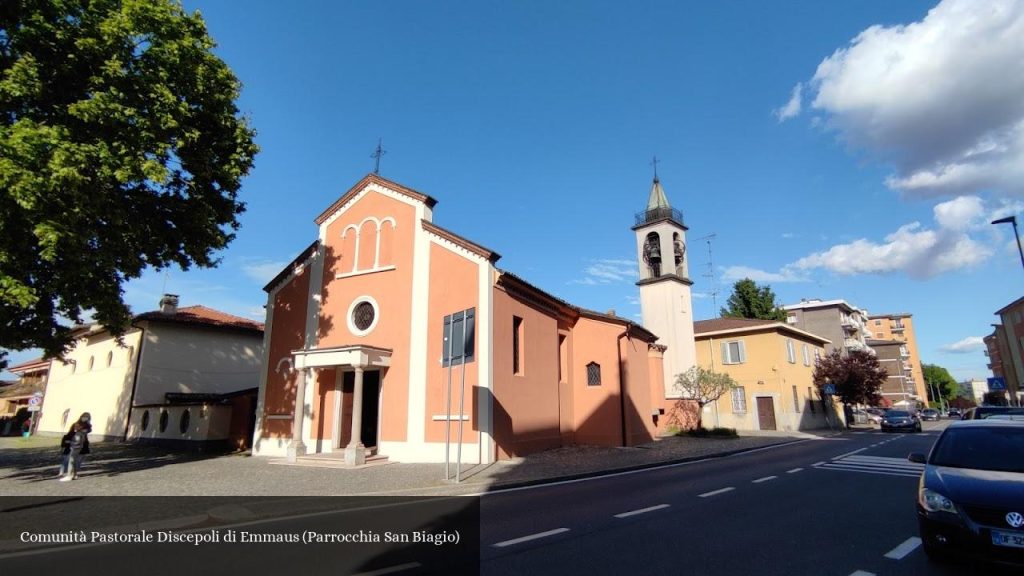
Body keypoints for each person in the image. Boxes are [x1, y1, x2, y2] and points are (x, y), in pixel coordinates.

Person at [58, 412, 92, 481]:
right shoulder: (76, 424)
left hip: (79, 444)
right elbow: (70, 433)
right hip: (73, 443)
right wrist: (67, 441)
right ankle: (73, 474)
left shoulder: (87, 426)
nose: (84, 418)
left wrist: (81, 429)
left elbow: (87, 430)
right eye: (84, 416)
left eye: (87, 417)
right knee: (72, 460)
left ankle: (70, 475)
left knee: (73, 459)